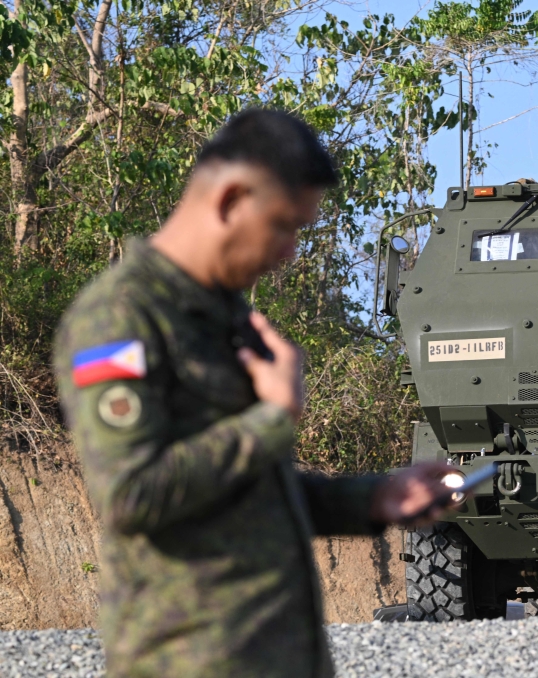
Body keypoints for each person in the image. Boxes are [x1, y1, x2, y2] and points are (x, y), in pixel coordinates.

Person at [53, 109, 453, 678]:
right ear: (231, 199)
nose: (290, 251)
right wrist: (273, 416)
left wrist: (374, 499)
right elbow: (131, 494)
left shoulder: (227, 314)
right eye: (285, 226)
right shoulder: (120, 319)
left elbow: (246, 489)